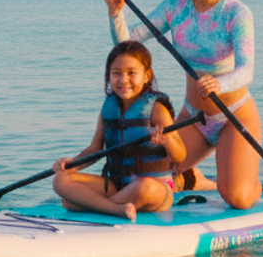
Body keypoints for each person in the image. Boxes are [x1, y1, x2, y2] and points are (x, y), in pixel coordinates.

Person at [103, 0, 262, 209]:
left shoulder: (236, 13)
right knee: (151, 173)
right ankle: (193, 178)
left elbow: (246, 71)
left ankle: (247, 179)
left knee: (237, 197)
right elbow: (127, 45)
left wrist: (219, 84)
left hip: (234, 116)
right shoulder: (174, 8)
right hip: (194, 118)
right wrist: (115, 13)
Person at [52, 41, 186, 221]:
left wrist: (167, 140)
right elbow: (94, 150)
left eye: (132, 73)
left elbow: (181, 156)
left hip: (154, 188)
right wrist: (71, 165)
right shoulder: (109, 107)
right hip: (116, 185)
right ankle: (115, 209)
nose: (123, 80)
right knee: (60, 180)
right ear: (109, 76)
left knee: (143, 187)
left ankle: (92, 204)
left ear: (146, 76)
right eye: (116, 73)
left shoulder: (156, 108)